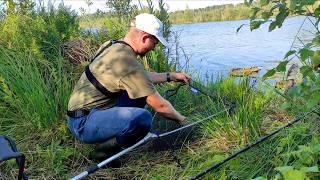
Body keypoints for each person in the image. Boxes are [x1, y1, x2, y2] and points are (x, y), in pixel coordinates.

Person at [67, 13, 191, 157]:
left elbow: (141, 78)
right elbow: (160, 106)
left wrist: (172, 76)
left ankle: (113, 133)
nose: (154, 48)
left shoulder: (113, 46)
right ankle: (104, 151)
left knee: (139, 94)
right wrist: (183, 120)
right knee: (143, 118)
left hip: (80, 115)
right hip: (83, 123)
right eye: (155, 43)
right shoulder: (127, 62)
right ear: (145, 37)